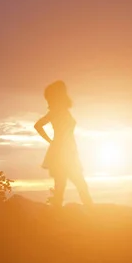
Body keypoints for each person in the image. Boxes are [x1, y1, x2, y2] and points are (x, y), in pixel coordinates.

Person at [34, 80, 93, 209]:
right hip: (63, 152)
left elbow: (38, 126)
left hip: (66, 151)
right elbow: (37, 125)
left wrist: (52, 142)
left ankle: (60, 213)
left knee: (62, 185)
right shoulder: (56, 111)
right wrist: (50, 141)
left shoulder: (61, 110)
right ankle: (91, 211)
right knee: (76, 183)